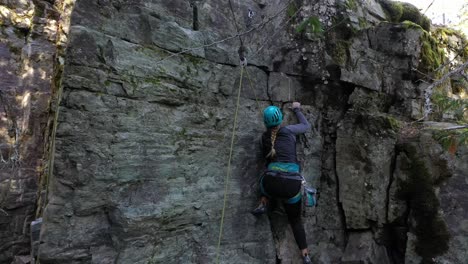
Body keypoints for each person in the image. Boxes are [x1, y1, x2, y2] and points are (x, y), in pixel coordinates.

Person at [251, 102, 312, 264]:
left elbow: (267, 159)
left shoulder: (264, 138)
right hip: (291, 186)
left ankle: (264, 201)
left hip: (271, 184)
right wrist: (297, 109)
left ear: (265, 122)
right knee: (295, 221)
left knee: (266, 175)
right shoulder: (288, 130)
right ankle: (305, 255)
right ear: (280, 119)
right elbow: (306, 126)